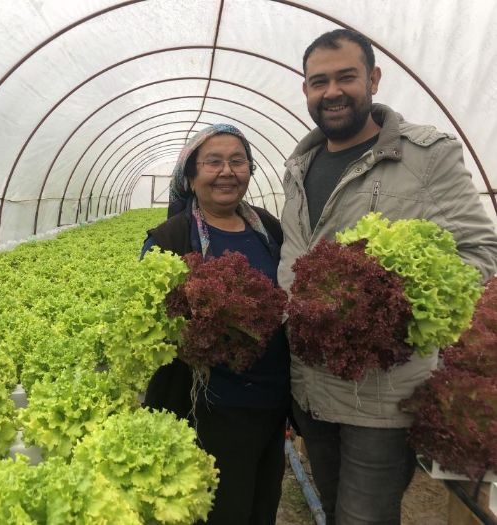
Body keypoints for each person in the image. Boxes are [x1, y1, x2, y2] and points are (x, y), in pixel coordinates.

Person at [278, 29, 497, 525]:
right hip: (309, 384)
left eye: (345, 77)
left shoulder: (425, 155)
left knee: (365, 517)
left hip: (381, 395)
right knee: (333, 508)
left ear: (373, 79)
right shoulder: (299, 164)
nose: (331, 91)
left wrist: (389, 302)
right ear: (306, 90)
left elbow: (480, 252)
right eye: (318, 82)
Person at [141, 123, 290, 525]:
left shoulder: (269, 231)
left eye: (237, 161)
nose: (227, 172)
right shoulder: (169, 239)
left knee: (261, 507)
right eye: (213, 162)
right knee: (219, 511)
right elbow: (149, 326)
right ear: (190, 177)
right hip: (204, 410)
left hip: (270, 404)